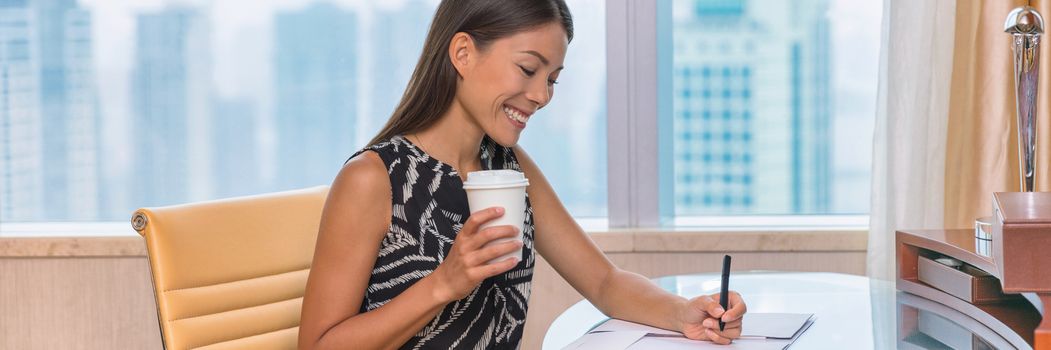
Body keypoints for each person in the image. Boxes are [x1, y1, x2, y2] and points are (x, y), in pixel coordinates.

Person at [298, 0, 747, 348]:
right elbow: (317, 346)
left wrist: (685, 312)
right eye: (529, 69)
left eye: (552, 79)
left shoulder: (509, 166)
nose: (542, 95)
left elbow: (604, 282)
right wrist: (444, 284)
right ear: (462, 53)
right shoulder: (374, 179)